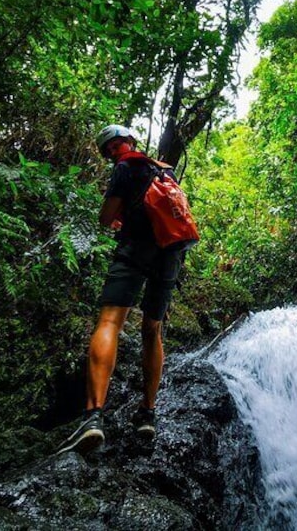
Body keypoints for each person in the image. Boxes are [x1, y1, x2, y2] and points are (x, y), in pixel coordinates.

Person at [58, 124, 186, 454]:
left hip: (135, 250)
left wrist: (116, 219)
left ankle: (93, 417)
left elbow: (106, 217)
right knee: (152, 328)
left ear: (109, 150)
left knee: (110, 322)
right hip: (171, 254)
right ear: (129, 140)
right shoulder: (164, 170)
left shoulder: (124, 168)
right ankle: (147, 414)